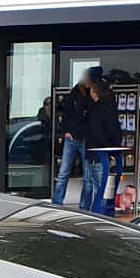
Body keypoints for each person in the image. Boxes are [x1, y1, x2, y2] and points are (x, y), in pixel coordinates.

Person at [51, 70, 97, 206]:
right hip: (73, 137)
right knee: (63, 173)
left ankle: (84, 207)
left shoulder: (92, 94)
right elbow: (66, 113)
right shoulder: (75, 93)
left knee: (87, 176)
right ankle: (57, 203)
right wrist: (66, 131)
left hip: (86, 138)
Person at [77, 75, 120, 212]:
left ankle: (92, 216)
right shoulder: (112, 108)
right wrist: (113, 149)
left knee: (96, 189)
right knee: (102, 188)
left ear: (95, 93)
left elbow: (96, 133)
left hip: (95, 154)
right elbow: (116, 131)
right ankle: (99, 214)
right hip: (106, 153)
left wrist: (106, 148)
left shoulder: (94, 110)